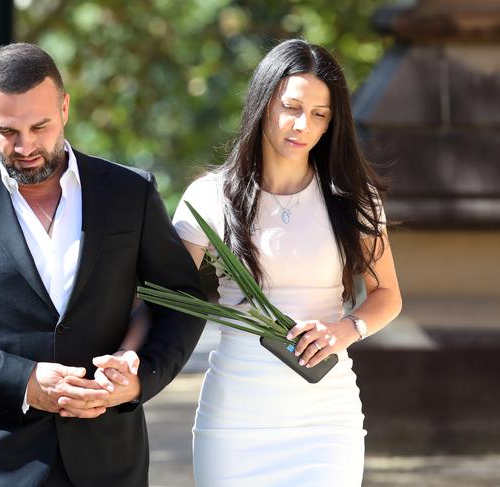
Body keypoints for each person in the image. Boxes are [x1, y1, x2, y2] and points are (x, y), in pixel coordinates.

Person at [0, 43, 205, 487]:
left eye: (40, 126)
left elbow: (181, 299)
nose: (25, 147)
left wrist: (140, 381)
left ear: (64, 108)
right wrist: (23, 380)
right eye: (7, 131)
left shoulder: (129, 192)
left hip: (109, 461)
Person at [172, 39, 402, 486]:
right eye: (291, 106)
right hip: (235, 418)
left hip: (325, 420)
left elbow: (387, 295)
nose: (302, 125)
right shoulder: (209, 197)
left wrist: (345, 329)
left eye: (319, 115)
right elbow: (162, 294)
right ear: (263, 102)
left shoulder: (353, 198)